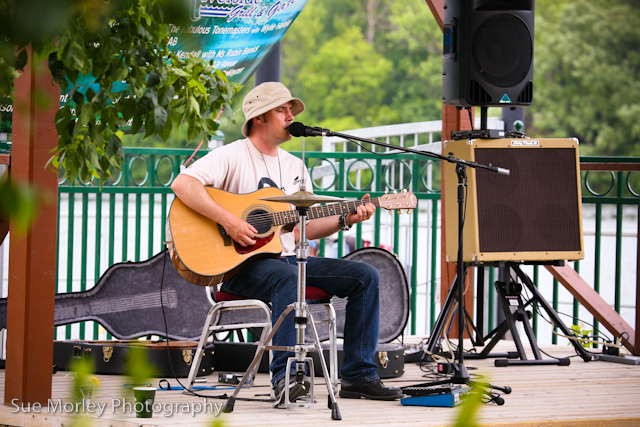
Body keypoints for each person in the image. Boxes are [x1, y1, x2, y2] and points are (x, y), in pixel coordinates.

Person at [171, 82, 402, 403]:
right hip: (240, 267)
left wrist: (346, 218)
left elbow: (301, 229)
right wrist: (231, 221)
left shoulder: (295, 166)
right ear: (259, 118)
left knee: (365, 276)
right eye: (283, 109)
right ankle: (286, 376)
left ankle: (358, 375)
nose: (291, 115)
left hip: (286, 260)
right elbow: (183, 183)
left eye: (291, 109)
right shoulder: (231, 155)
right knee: (289, 278)